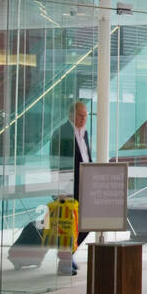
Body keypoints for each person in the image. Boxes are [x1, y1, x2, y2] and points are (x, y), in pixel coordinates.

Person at [50, 100, 92, 272]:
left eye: (86, 116)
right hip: (67, 188)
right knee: (69, 225)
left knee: (87, 222)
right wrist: (58, 190)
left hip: (84, 185)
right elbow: (55, 163)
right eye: (81, 116)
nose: (83, 120)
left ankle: (69, 254)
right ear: (71, 115)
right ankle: (66, 260)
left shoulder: (84, 133)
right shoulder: (61, 133)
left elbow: (86, 158)